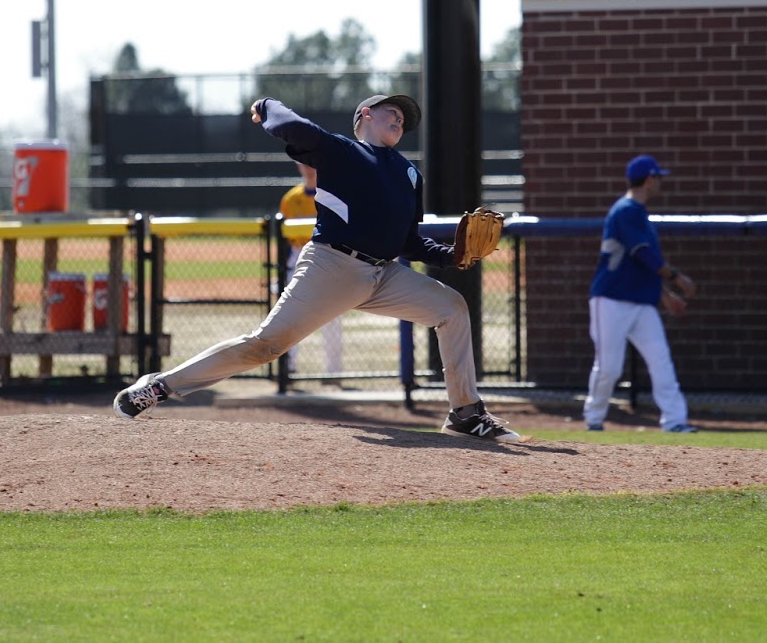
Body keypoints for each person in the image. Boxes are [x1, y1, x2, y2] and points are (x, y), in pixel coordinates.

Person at [114, 93, 528, 443]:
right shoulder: (341, 152)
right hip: (331, 266)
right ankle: (160, 385)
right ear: (365, 115)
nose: (400, 120)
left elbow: (409, 241)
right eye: (392, 112)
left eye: (404, 119)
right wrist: (265, 104)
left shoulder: (408, 173)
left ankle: (465, 413)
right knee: (265, 346)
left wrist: (451, 256)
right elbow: (293, 127)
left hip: (384, 275)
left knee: (451, 308)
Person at [583, 155, 698, 433]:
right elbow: (643, 254)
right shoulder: (626, 210)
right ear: (648, 180)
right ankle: (594, 419)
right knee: (609, 367)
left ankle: (675, 420)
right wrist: (676, 278)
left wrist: (664, 295)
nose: (659, 183)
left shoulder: (638, 213)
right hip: (611, 299)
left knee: (660, 360)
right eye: (658, 178)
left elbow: (642, 264)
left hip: (641, 302)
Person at [278, 161, 343, 380]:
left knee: (332, 317)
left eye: (312, 164)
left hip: (328, 256)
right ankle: (289, 366)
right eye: (304, 164)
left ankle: (334, 371)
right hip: (298, 256)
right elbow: (284, 240)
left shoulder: (333, 195)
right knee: (291, 314)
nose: (308, 168)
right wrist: (282, 269)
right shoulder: (291, 199)